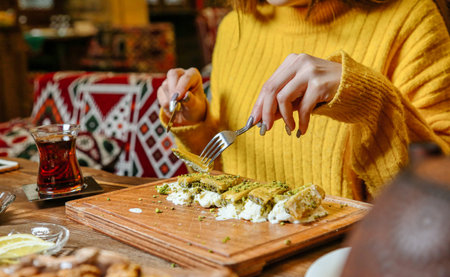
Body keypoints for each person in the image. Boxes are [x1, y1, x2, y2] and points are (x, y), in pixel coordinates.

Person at [157, 0, 450, 201]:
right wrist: (194, 122)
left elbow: (440, 199)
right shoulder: (235, 26)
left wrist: (370, 101)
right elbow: (226, 172)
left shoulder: (413, 18)